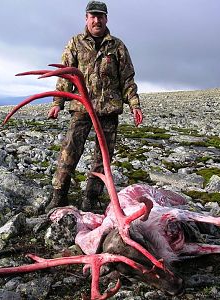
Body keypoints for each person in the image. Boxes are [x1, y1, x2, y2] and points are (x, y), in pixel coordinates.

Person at [47, 1, 143, 211]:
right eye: (93, 16)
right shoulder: (75, 43)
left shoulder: (117, 46)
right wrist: (58, 103)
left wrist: (134, 104)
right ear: (86, 18)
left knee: (103, 158)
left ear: (106, 19)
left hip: (108, 111)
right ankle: (59, 195)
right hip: (81, 108)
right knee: (70, 150)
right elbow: (65, 74)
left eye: (101, 16)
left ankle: (90, 198)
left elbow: (127, 78)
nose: (97, 20)